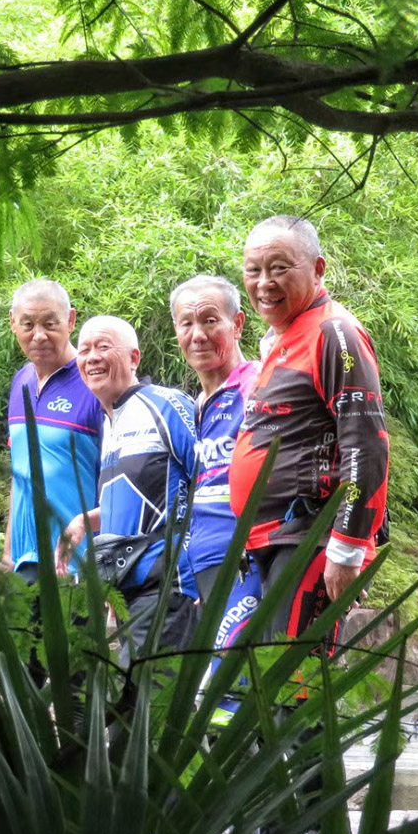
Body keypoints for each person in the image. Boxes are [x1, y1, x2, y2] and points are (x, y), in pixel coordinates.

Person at [228, 215, 389, 644]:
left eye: (280, 268)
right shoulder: (282, 338)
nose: (264, 282)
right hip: (274, 540)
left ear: (318, 269)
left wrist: (347, 545)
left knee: (293, 687)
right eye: (253, 270)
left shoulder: (335, 334)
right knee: (274, 688)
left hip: (310, 538)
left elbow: (366, 443)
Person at [55, 315, 200, 659]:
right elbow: (143, 498)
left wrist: (210, 571)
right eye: (85, 349)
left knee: (140, 704)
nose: (92, 357)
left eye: (103, 347)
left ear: (134, 358)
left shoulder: (166, 404)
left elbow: (212, 481)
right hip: (129, 593)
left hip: (169, 585)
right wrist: (83, 522)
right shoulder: (110, 423)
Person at [171, 274, 262, 721]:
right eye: (186, 323)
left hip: (248, 567)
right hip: (203, 575)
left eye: (210, 320)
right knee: (211, 705)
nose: (198, 334)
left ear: (238, 323)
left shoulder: (258, 386)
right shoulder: (195, 406)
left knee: (235, 700)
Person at [0, 279, 104, 581]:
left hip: (76, 566)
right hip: (23, 565)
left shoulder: (96, 383)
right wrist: (7, 554)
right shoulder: (20, 382)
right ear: (12, 323)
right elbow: (19, 473)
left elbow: (118, 479)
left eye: (50, 323)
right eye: (28, 324)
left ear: (71, 320)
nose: (39, 335)